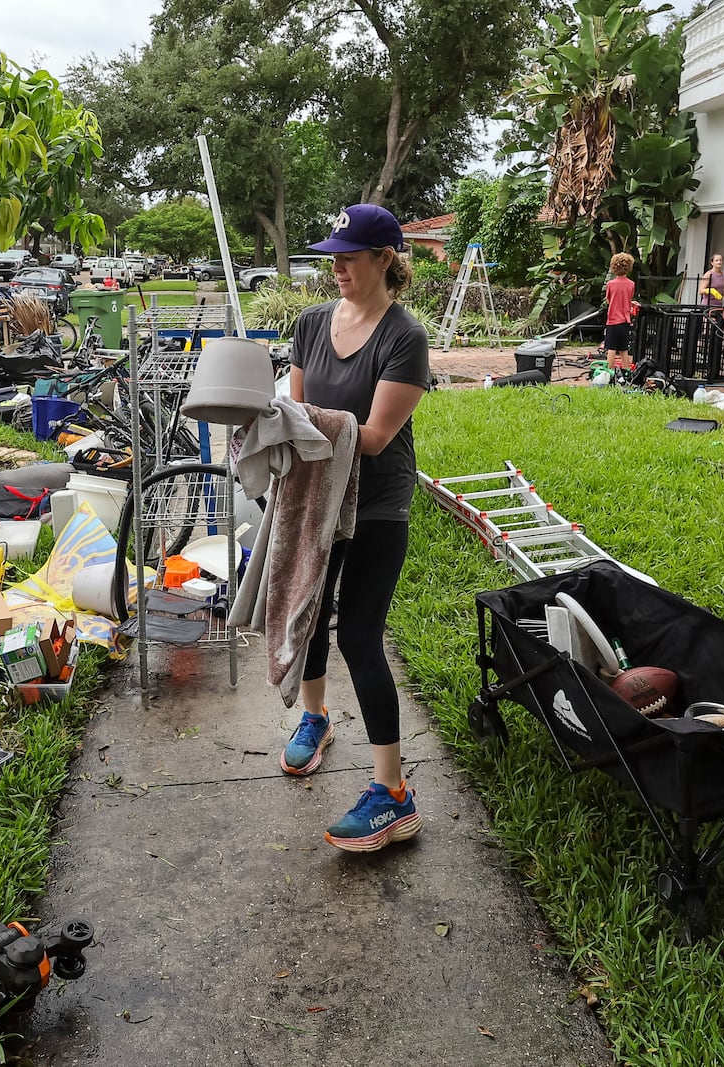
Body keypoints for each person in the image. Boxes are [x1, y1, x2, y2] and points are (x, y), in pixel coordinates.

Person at [278, 204, 431, 853]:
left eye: (349, 254)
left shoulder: (405, 336)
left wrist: (291, 415)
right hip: (318, 495)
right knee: (309, 612)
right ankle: (316, 718)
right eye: (332, 255)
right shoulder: (312, 323)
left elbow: (370, 437)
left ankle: (393, 793)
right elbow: (292, 403)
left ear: (384, 259)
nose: (336, 265)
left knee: (360, 636)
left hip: (376, 504)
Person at [603, 252, 638, 371]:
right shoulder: (631, 284)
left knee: (611, 348)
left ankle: (610, 371)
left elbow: (608, 299)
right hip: (625, 320)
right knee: (624, 348)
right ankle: (627, 371)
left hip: (613, 320)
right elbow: (630, 298)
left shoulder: (610, 284)